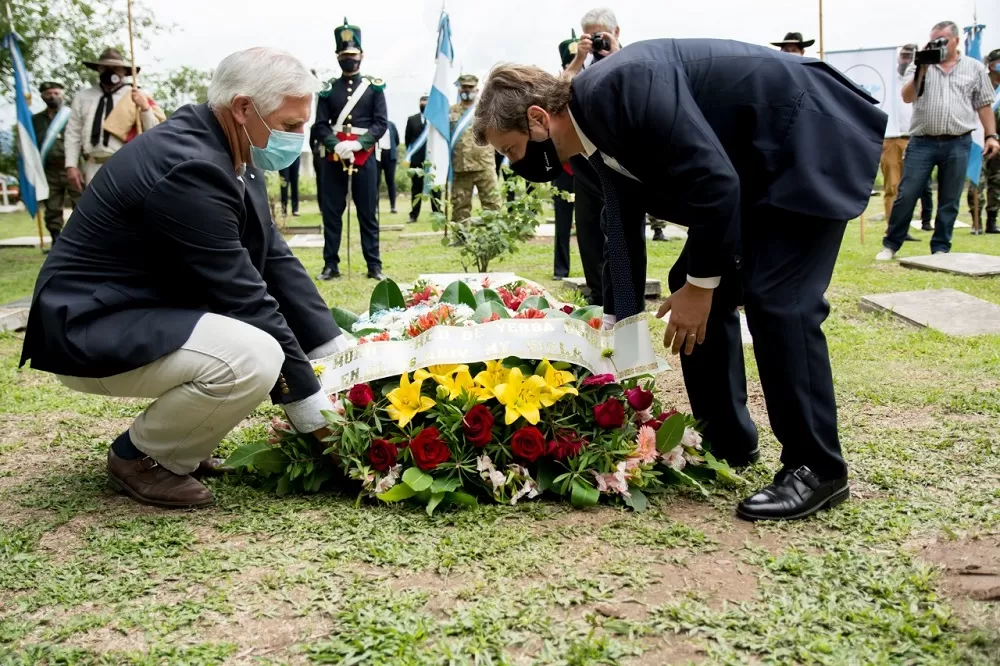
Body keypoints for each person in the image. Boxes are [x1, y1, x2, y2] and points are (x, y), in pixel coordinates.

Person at [473, 38, 887, 521]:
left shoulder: (621, 87)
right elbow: (620, 235)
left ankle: (817, 469)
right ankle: (728, 438)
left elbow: (714, 183)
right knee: (686, 281)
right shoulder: (585, 148)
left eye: (513, 149)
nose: (517, 165)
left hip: (806, 138)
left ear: (539, 119)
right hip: (753, 173)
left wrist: (702, 286)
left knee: (779, 298)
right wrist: (616, 339)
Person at [19, 47, 350, 509]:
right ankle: (138, 458)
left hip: (138, 310)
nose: (297, 137)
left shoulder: (231, 149)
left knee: (254, 349)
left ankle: (180, 446)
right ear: (242, 108)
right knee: (254, 354)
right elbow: (246, 298)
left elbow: (274, 258)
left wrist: (336, 352)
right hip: (89, 326)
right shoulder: (191, 168)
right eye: (290, 125)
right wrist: (313, 414)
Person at [878, 21, 999, 259]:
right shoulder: (920, 64)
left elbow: (984, 104)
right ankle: (891, 244)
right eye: (934, 40)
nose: (938, 45)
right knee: (907, 193)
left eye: (942, 40)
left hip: (958, 141)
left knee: (950, 198)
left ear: (956, 41)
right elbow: (907, 96)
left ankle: (941, 247)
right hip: (922, 141)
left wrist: (991, 136)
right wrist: (921, 68)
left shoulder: (974, 68)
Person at [314, 19, 387, 280]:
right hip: (334, 159)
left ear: (362, 56)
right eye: (345, 56)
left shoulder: (374, 87)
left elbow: (381, 123)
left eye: (353, 56)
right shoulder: (326, 91)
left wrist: (359, 143)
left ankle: (374, 266)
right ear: (337, 57)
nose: (349, 60)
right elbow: (320, 126)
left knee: (368, 214)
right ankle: (330, 265)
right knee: (332, 214)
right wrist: (337, 145)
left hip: (364, 159)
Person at [63, 48, 162, 190]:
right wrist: (71, 165)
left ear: (124, 72)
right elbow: (73, 132)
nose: (110, 71)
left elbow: (153, 132)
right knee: (95, 209)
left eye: (115, 68)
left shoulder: (136, 94)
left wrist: (145, 108)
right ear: (98, 69)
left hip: (125, 164)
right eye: (104, 68)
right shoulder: (83, 97)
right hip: (92, 165)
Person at [449, 74, 501, 227]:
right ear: (459, 89)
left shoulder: (486, 109)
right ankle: (461, 236)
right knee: (460, 205)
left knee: (492, 203)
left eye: (470, 87)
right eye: (464, 87)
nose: (467, 90)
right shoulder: (451, 111)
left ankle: (494, 235)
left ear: (477, 89)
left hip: (484, 164)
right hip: (461, 165)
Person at [31, 82, 78, 245]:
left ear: (62, 95)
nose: (52, 96)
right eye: (48, 93)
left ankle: (79, 238)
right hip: (49, 169)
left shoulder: (72, 116)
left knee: (81, 203)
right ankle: (56, 239)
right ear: (42, 96)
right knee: (52, 206)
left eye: (56, 93)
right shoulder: (35, 120)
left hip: (73, 166)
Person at [966, 49, 1000, 235]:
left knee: (997, 182)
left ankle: (992, 222)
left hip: (998, 142)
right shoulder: (978, 81)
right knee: (976, 182)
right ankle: (976, 221)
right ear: (991, 64)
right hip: (979, 138)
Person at [404, 94, 440, 222]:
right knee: (416, 188)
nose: (424, 103)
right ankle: (413, 215)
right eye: (422, 101)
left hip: (433, 159)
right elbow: (407, 140)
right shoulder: (412, 119)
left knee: (435, 188)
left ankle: (437, 214)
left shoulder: (436, 120)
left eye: (426, 101)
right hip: (417, 160)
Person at [376, 119, 399, 214]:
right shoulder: (375, 124)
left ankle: (393, 206)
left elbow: (396, 140)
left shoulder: (391, 125)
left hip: (390, 156)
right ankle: (375, 207)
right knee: (376, 181)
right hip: (378, 154)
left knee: (390, 181)